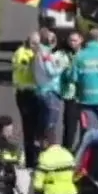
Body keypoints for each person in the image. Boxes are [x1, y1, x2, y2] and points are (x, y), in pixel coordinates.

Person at [33, 27, 67, 160]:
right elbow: (51, 72)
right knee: (50, 125)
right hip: (50, 92)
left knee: (43, 124)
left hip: (42, 90)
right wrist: (62, 66)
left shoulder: (39, 52)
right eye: (52, 39)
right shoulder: (45, 54)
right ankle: (48, 153)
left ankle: (41, 150)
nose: (55, 41)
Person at [11, 32, 42, 163]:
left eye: (37, 43)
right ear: (28, 42)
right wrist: (30, 62)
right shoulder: (21, 52)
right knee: (28, 127)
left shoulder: (40, 53)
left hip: (38, 93)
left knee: (40, 127)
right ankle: (30, 159)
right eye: (33, 43)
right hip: (25, 93)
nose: (35, 45)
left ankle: (38, 157)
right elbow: (20, 65)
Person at [57, 30, 85, 149]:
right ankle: (66, 150)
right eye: (70, 40)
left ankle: (83, 152)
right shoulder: (64, 55)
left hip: (85, 96)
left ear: (81, 40)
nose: (72, 43)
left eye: (75, 40)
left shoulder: (85, 55)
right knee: (69, 127)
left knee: (86, 127)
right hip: (71, 95)